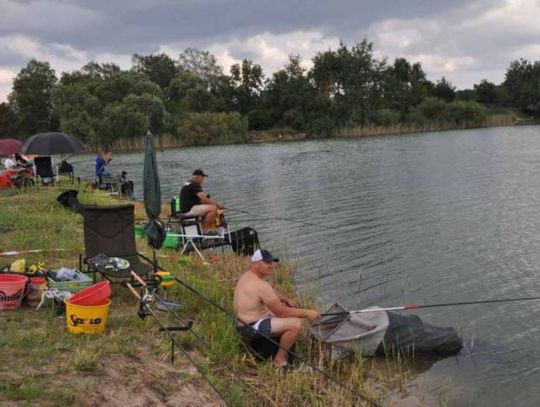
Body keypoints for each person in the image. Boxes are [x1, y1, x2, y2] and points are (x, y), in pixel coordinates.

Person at [233, 249, 320, 367]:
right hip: (250, 327)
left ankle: (279, 350)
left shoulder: (247, 276)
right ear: (256, 263)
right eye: (267, 263)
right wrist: (308, 313)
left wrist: (286, 299)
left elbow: (270, 292)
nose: (271, 266)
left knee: (280, 313)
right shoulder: (260, 285)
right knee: (295, 323)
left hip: (243, 323)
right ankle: (279, 359)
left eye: (271, 262)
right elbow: (282, 313)